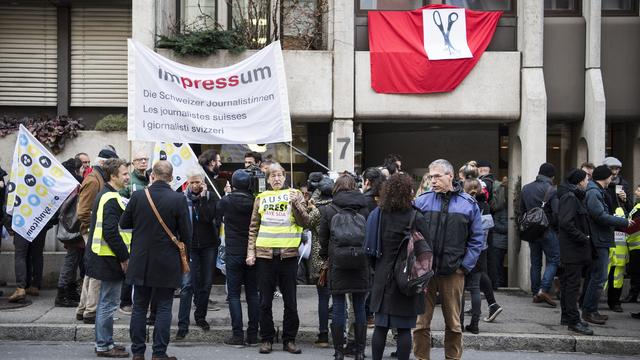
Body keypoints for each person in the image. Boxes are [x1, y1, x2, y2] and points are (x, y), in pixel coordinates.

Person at [120, 161, 192, 360]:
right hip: (167, 261)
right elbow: (187, 234)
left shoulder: (138, 196)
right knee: (164, 307)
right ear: (170, 178)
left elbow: (124, 223)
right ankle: (159, 353)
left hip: (140, 259)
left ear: (152, 175)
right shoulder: (178, 199)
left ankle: (138, 352)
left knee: (140, 307)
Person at [413, 159, 483, 360]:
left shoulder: (468, 204)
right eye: (430, 176)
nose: (433, 180)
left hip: (453, 272)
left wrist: (464, 266)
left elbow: (477, 239)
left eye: (437, 176)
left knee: (453, 323)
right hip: (425, 273)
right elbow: (411, 234)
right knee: (420, 324)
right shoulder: (421, 201)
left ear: (450, 176)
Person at [246, 163, 309, 354]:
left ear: (284, 177)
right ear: (267, 179)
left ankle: (289, 339)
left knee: (290, 302)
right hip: (265, 256)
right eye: (272, 175)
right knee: (264, 301)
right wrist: (250, 252)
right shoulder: (261, 198)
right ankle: (266, 338)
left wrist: (296, 203)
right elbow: (253, 228)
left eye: (279, 175)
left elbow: (305, 221)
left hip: (288, 257)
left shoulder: (295, 194)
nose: (276, 179)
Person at [370, 173, 432, 360]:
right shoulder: (416, 217)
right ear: (408, 192)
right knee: (404, 329)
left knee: (380, 327)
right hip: (407, 277)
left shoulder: (379, 214)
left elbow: (372, 246)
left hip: (382, 275)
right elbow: (426, 248)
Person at [318, 174, 370, 360]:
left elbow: (322, 240)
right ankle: (360, 352)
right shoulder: (366, 208)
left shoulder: (328, 209)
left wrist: (327, 256)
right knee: (359, 308)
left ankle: (339, 352)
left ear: (336, 188)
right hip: (361, 264)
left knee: (339, 307)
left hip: (337, 264)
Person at [85, 158, 131, 357]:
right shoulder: (110, 198)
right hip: (109, 258)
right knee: (108, 303)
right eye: (124, 174)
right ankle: (104, 345)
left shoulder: (109, 195)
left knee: (107, 302)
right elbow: (111, 232)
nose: (128, 177)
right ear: (113, 176)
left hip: (106, 257)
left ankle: (106, 342)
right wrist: (124, 257)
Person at [582, 165, 633, 325]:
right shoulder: (594, 193)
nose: (612, 177)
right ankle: (589, 311)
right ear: (604, 177)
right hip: (599, 240)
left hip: (601, 239)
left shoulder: (596, 191)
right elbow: (599, 216)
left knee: (598, 277)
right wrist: (623, 221)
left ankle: (591, 310)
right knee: (599, 277)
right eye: (610, 175)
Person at [76, 148, 119, 324]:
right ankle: (91, 311)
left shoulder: (99, 177)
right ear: (103, 163)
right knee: (97, 273)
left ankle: (83, 308)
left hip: (94, 231)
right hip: (93, 232)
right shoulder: (94, 180)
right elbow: (83, 211)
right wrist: (93, 229)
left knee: (91, 271)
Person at [175, 167, 220, 340]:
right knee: (187, 285)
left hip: (208, 245)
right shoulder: (181, 199)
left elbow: (208, 218)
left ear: (203, 183)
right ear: (187, 183)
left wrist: (202, 200)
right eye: (192, 182)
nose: (195, 185)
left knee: (206, 283)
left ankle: (200, 317)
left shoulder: (210, 198)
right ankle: (182, 324)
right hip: (189, 246)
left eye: (198, 182)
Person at [218, 169, 260, 347]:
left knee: (234, 294)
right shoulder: (255, 201)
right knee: (252, 294)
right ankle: (252, 335)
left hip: (233, 251)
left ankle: (237, 335)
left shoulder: (226, 201)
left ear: (233, 184)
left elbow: (214, 215)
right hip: (252, 251)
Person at [557, 169, 594, 336]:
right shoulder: (570, 197)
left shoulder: (574, 196)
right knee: (572, 286)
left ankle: (567, 316)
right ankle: (573, 320)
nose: (587, 182)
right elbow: (565, 223)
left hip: (573, 249)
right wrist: (583, 237)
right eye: (586, 179)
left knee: (568, 284)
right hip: (573, 249)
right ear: (579, 181)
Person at [519, 163, 560, 307]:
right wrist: (555, 228)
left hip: (532, 230)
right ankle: (543, 289)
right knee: (554, 259)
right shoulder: (552, 189)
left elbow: (521, 210)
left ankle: (535, 292)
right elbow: (556, 213)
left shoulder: (526, 188)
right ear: (552, 176)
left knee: (535, 262)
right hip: (548, 230)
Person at [307, 175, 334, 348]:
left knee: (323, 299)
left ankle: (323, 335)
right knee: (340, 299)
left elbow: (306, 224)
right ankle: (342, 334)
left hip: (320, 259)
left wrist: (310, 206)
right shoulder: (338, 207)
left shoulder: (316, 211)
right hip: (337, 258)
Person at [55, 157, 85, 308]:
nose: (83, 171)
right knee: (70, 262)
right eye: (80, 169)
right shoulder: (74, 187)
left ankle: (70, 292)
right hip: (74, 230)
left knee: (73, 262)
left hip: (72, 230)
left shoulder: (67, 186)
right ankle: (63, 295)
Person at [622, 185, 640, 303]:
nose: (635, 191)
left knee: (637, 273)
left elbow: (636, 224)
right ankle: (633, 295)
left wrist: (624, 227)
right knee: (634, 272)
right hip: (633, 244)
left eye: (639, 190)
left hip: (638, 245)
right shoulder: (637, 205)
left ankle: (633, 295)